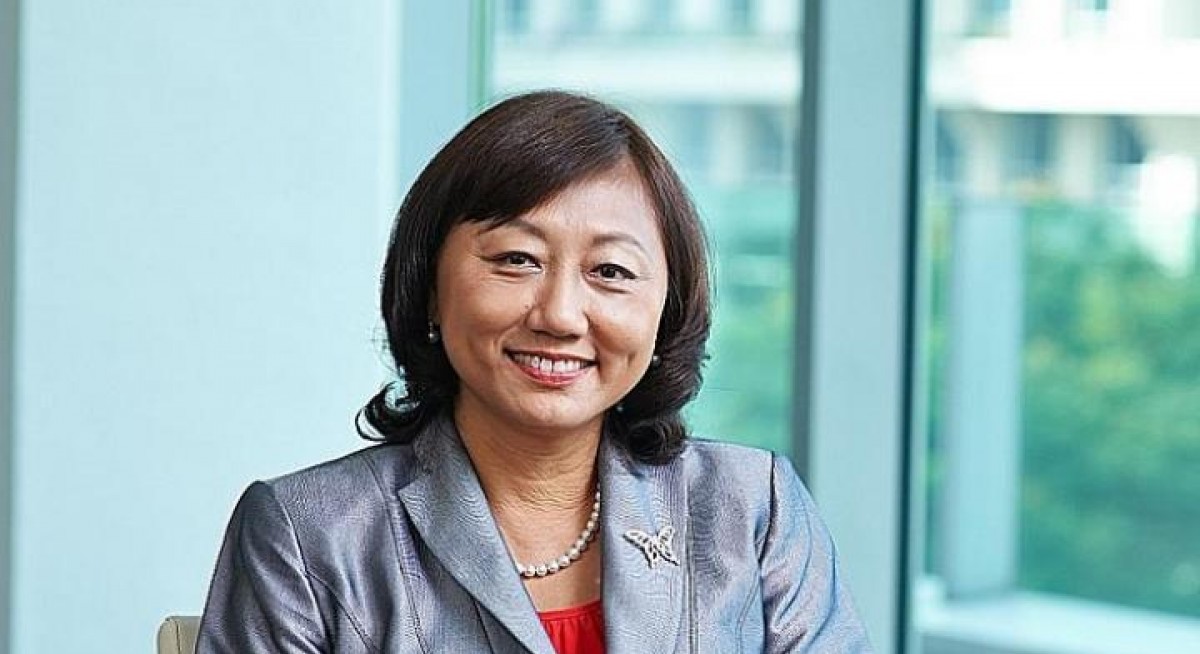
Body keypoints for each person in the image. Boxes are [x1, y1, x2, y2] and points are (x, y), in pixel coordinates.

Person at [196, 90, 873, 653]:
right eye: (516, 259)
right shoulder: (308, 534)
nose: (560, 315)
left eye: (611, 271)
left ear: (665, 310)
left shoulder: (752, 512)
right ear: (430, 286)